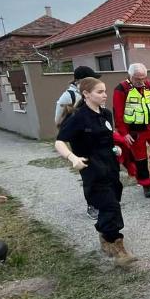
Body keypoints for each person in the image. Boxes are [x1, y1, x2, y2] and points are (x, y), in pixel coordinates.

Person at [55, 77, 137, 266]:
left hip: (111, 166)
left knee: (112, 201)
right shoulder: (77, 117)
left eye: (105, 91)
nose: (104, 95)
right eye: (100, 92)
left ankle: (104, 233)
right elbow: (59, 142)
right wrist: (73, 158)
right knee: (111, 206)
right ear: (86, 94)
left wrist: (116, 149)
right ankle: (117, 246)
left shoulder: (106, 114)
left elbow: (106, 138)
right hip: (92, 168)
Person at [113, 63, 150, 198]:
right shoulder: (121, 89)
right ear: (130, 75)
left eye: (143, 78)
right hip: (135, 131)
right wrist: (124, 133)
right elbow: (118, 113)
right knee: (140, 159)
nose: (141, 81)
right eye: (137, 79)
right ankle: (145, 184)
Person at [54, 65, 101, 220]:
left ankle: (104, 200)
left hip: (97, 138)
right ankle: (92, 205)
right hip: (81, 141)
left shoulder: (95, 93)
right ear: (80, 81)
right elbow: (58, 120)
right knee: (88, 174)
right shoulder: (68, 96)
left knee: (102, 171)